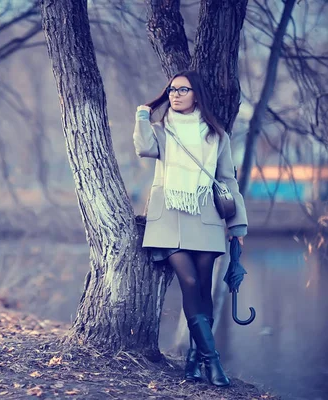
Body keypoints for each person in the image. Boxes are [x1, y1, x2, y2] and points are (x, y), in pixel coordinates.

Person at [133, 70, 248, 387]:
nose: (175, 94)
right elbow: (143, 148)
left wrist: (237, 225)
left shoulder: (216, 135)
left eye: (183, 89)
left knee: (203, 289)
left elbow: (227, 181)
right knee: (189, 281)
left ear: (197, 94)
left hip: (206, 217)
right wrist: (143, 113)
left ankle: (193, 363)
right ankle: (214, 362)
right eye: (171, 89)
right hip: (169, 217)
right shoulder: (160, 131)